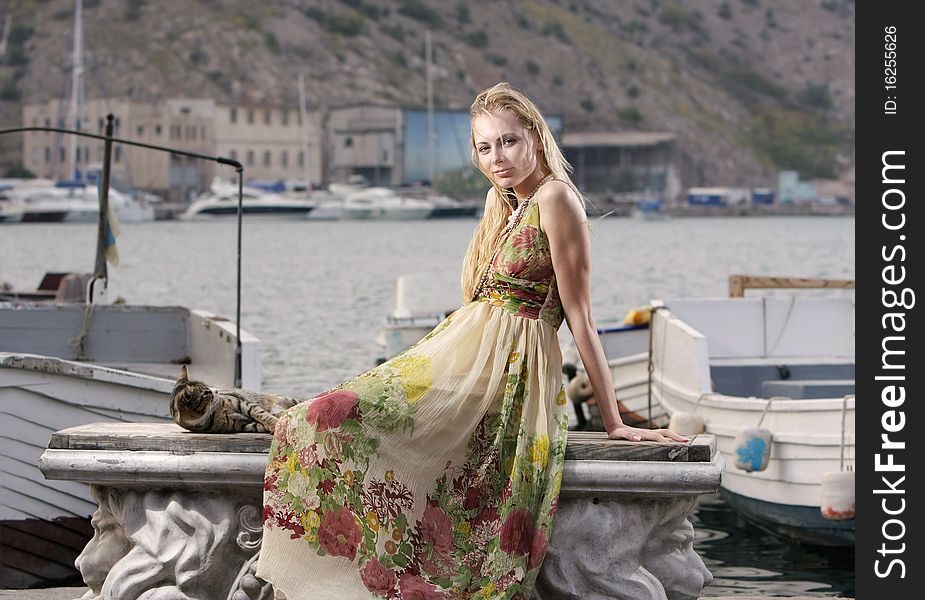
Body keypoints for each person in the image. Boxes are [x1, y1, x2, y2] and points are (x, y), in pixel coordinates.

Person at [256, 82, 686, 600]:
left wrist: (614, 420)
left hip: (512, 376)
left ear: (535, 137)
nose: (496, 157)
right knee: (318, 419)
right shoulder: (503, 204)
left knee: (324, 419)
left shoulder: (554, 197)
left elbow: (581, 316)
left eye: (507, 141)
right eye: (484, 147)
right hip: (469, 360)